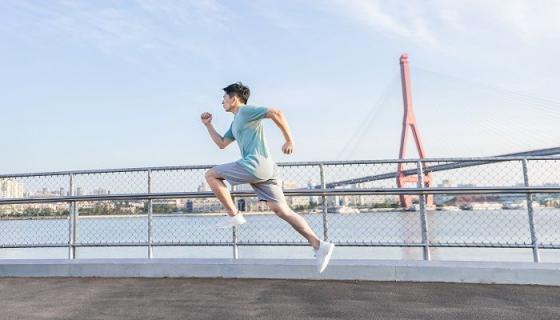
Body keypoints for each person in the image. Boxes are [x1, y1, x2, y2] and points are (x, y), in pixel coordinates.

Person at [201, 82, 335, 273]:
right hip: (267, 169)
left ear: (234, 98)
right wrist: (208, 125)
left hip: (254, 165)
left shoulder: (246, 111)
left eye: (224, 98)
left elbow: (276, 113)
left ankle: (234, 214)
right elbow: (222, 143)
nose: (221, 101)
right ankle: (319, 244)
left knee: (211, 174)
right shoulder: (236, 121)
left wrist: (289, 139)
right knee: (282, 210)